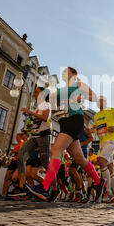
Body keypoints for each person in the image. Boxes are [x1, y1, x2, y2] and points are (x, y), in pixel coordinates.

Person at [26, 67, 106, 201]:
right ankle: (98, 182)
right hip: (64, 122)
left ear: (74, 74)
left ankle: (45, 188)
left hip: (74, 119)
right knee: (79, 158)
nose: (63, 73)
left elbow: (94, 97)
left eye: (66, 71)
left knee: (55, 150)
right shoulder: (60, 90)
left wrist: (81, 96)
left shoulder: (77, 84)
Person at [15, 87, 52, 196]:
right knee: (21, 156)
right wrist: (29, 126)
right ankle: (22, 187)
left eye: (36, 92)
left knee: (45, 163)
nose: (34, 93)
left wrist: (30, 112)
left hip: (43, 136)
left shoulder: (46, 104)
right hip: (34, 136)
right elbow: (37, 121)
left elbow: (45, 118)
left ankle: (53, 187)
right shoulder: (38, 107)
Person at [93, 96, 114, 205]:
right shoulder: (96, 115)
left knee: (102, 161)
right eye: (98, 101)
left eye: (101, 101)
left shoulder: (112, 110)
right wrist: (90, 130)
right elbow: (95, 127)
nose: (99, 103)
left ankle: (108, 192)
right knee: (110, 170)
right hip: (102, 143)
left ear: (106, 102)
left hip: (111, 141)